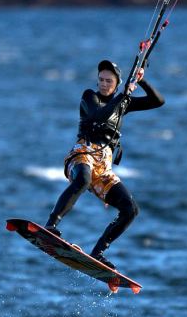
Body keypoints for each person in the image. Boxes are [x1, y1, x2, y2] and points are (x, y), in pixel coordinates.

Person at [45, 59, 165, 270]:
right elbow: (96, 118)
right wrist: (122, 96)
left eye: (109, 81)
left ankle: (98, 252)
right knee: (83, 179)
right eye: (101, 79)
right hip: (83, 153)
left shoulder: (123, 103)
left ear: (117, 82)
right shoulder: (89, 96)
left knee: (131, 209)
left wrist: (141, 80)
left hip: (104, 165)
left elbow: (158, 101)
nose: (103, 84)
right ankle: (51, 225)